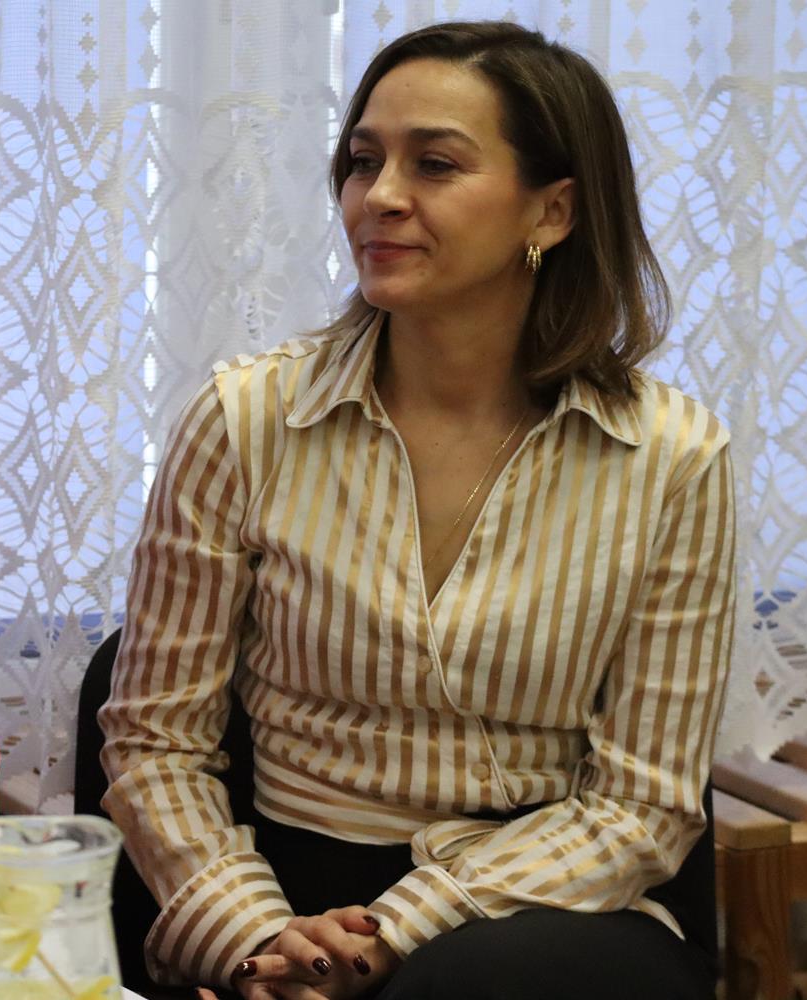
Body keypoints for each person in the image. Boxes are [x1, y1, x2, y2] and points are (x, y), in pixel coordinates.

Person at [99, 20, 733, 1000]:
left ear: (553, 211)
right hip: (281, 896)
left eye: (434, 163)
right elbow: (155, 745)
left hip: (546, 905)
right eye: (363, 161)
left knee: (478, 984)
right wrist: (265, 938)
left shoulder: (673, 455)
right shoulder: (245, 417)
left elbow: (645, 804)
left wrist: (395, 933)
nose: (379, 196)